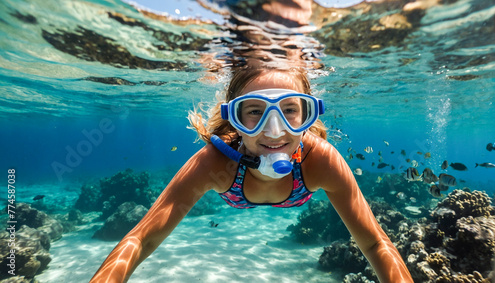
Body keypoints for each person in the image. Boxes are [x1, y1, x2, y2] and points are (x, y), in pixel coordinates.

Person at [90, 66, 413, 282]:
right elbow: (141, 238)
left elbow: (374, 244)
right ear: (234, 120)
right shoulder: (214, 163)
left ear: (308, 115)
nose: (274, 133)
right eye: (255, 112)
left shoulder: (320, 160)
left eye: (290, 110)